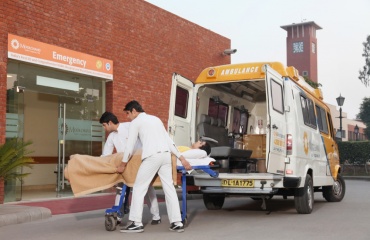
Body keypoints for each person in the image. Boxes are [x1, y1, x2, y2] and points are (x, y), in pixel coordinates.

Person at [117, 100, 192, 233]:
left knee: (139, 187)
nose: (128, 117)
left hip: (152, 157)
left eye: (128, 113)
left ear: (134, 111)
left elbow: (130, 145)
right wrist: (182, 158)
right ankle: (177, 222)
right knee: (169, 188)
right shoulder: (156, 119)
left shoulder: (136, 122)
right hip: (165, 156)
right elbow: (169, 140)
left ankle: (136, 222)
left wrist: (123, 163)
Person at [99, 111, 161, 225]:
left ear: (110, 123)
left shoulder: (130, 126)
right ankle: (118, 216)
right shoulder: (112, 137)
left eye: (104, 125)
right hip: (124, 165)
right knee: (120, 189)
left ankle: (156, 216)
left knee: (147, 189)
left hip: (139, 161)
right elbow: (106, 154)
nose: (104, 128)